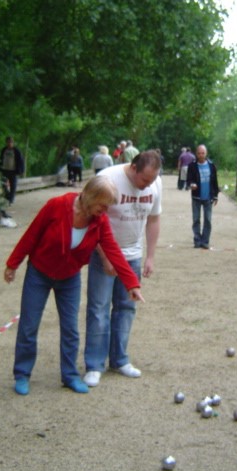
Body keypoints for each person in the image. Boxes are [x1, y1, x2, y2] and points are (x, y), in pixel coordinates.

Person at [4, 176, 145, 395]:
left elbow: (113, 251)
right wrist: (13, 264)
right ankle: (22, 374)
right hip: (39, 273)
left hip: (69, 277)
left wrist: (131, 284)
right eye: (102, 206)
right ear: (89, 197)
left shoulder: (99, 221)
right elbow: (31, 236)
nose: (105, 211)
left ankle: (69, 375)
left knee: (71, 329)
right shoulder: (56, 206)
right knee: (29, 326)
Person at [83, 150, 162, 387]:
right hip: (104, 254)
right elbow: (91, 217)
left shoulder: (155, 183)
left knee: (126, 308)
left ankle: (119, 360)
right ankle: (94, 365)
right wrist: (105, 256)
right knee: (98, 309)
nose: (147, 185)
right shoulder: (109, 179)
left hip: (133, 256)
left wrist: (150, 256)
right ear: (134, 168)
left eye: (152, 181)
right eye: (144, 180)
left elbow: (154, 219)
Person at [186, 144, 219, 249]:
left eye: (203, 153)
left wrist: (216, 196)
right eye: (199, 153)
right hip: (196, 197)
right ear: (196, 153)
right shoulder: (192, 165)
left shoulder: (211, 165)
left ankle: (205, 241)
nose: (201, 155)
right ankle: (197, 240)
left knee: (208, 220)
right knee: (196, 219)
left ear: (206, 153)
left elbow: (214, 182)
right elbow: (188, 180)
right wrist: (191, 185)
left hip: (208, 198)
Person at [0, 136, 25, 205]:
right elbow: (1, 159)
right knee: (3, 185)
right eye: (8, 142)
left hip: (13, 171)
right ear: (6, 142)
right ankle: (8, 196)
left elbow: (21, 161)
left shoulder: (16, 151)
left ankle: (11, 200)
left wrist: (21, 170)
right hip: (5, 170)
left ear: (13, 142)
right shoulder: (4, 150)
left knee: (13, 186)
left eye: (11, 142)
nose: (9, 143)